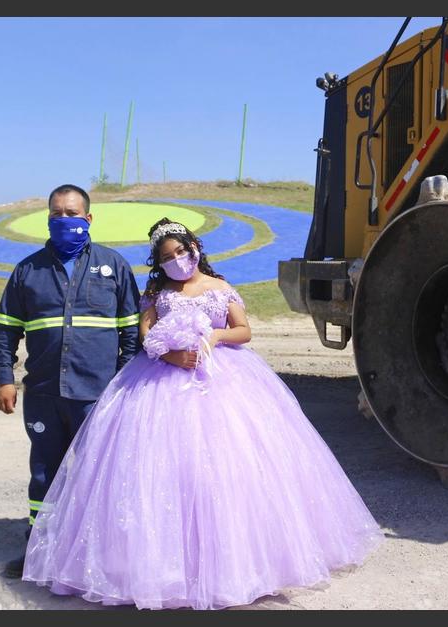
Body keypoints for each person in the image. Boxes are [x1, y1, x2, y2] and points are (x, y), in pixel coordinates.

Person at [21, 218, 383, 609]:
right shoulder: (158, 291)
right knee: (157, 471)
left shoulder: (219, 287)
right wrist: (173, 353)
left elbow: (243, 330)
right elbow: (146, 335)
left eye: (181, 251)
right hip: (161, 381)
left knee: (227, 468)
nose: (177, 261)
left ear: (195, 247)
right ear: (158, 263)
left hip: (223, 378)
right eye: (167, 257)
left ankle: (236, 565)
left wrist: (214, 336)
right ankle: (155, 568)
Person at [0, 184, 141, 579]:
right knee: (45, 472)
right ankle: (39, 553)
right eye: (57, 214)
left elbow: (132, 331)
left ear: (88, 219)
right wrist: (4, 378)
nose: (64, 220)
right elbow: (5, 330)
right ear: (48, 218)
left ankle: (101, 557)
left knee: (100, 474)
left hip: (99, 393)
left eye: (72, 213)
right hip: (43, 393)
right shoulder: (28, 270)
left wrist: (125, 381)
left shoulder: (114, 266)